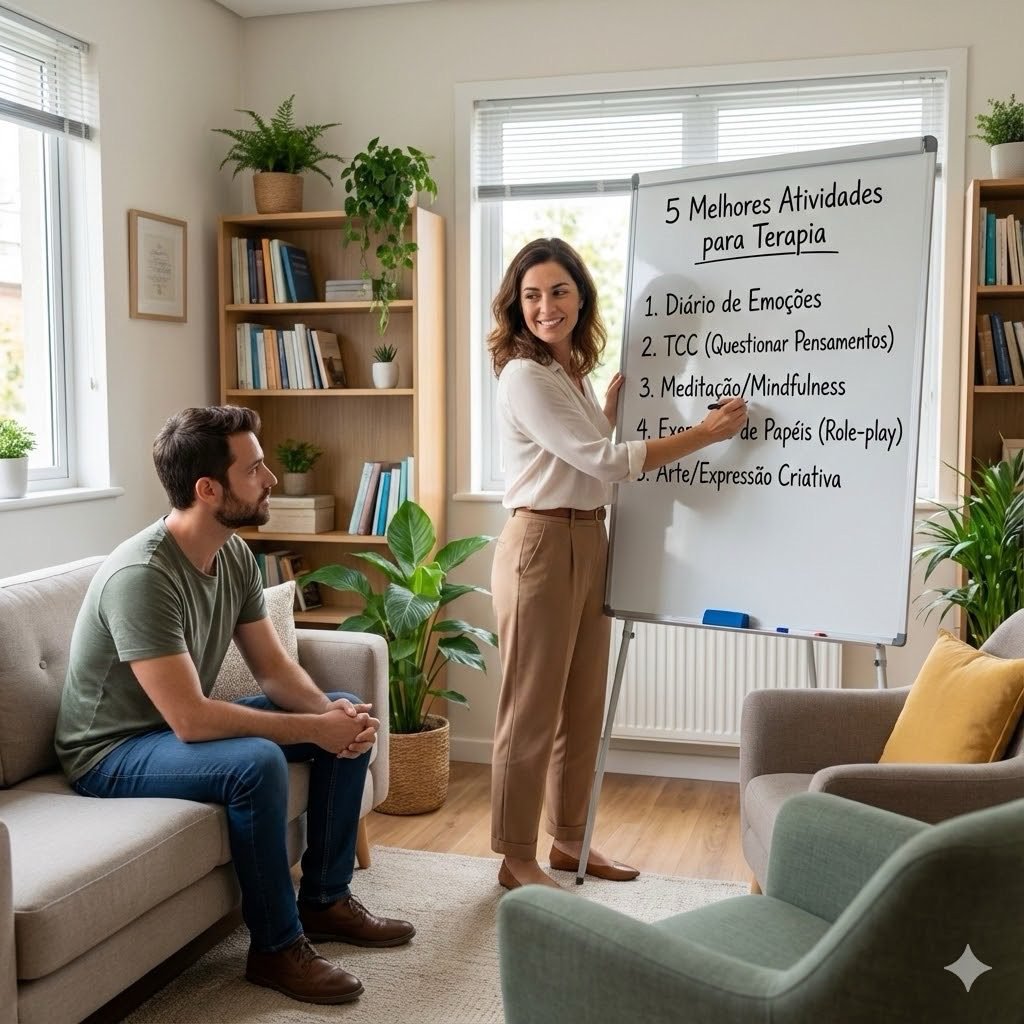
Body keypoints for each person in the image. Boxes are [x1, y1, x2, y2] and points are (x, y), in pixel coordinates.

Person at [55, 405, 414, 1006]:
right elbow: (190, 719)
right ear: (208, 489)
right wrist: (313, 728)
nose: (271, 479)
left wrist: (333, 719)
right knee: (256, 762)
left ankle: (325, 900)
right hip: (110, 751)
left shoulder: (233, 556)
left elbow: (274, 671)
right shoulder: (142, 576)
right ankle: (275, 948)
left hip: (167, 732)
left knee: (345, 706)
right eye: (255, 469)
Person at [487, 238, 747, 890]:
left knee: (581, 705)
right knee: (530, 711)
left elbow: (584, 453)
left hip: (587, 538)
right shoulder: (523, 375)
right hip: (541, 545)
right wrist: (704, 435)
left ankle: (570, 842)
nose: (547, 306)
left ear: (581, 296)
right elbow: (603, 464)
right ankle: (515, 857)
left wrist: (601, 413)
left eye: (559, 291)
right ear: (518, 308)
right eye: (533, 296)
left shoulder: (565, 373)